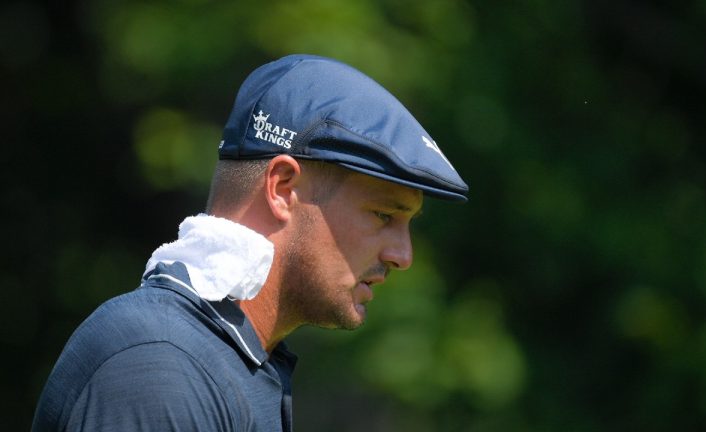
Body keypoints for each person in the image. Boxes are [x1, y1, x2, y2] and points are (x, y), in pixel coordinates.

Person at [32, 54, 468, 431]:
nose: (403, 256)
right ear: (281, 188)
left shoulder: (230, 358)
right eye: (383, 215)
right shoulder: (159, 366)